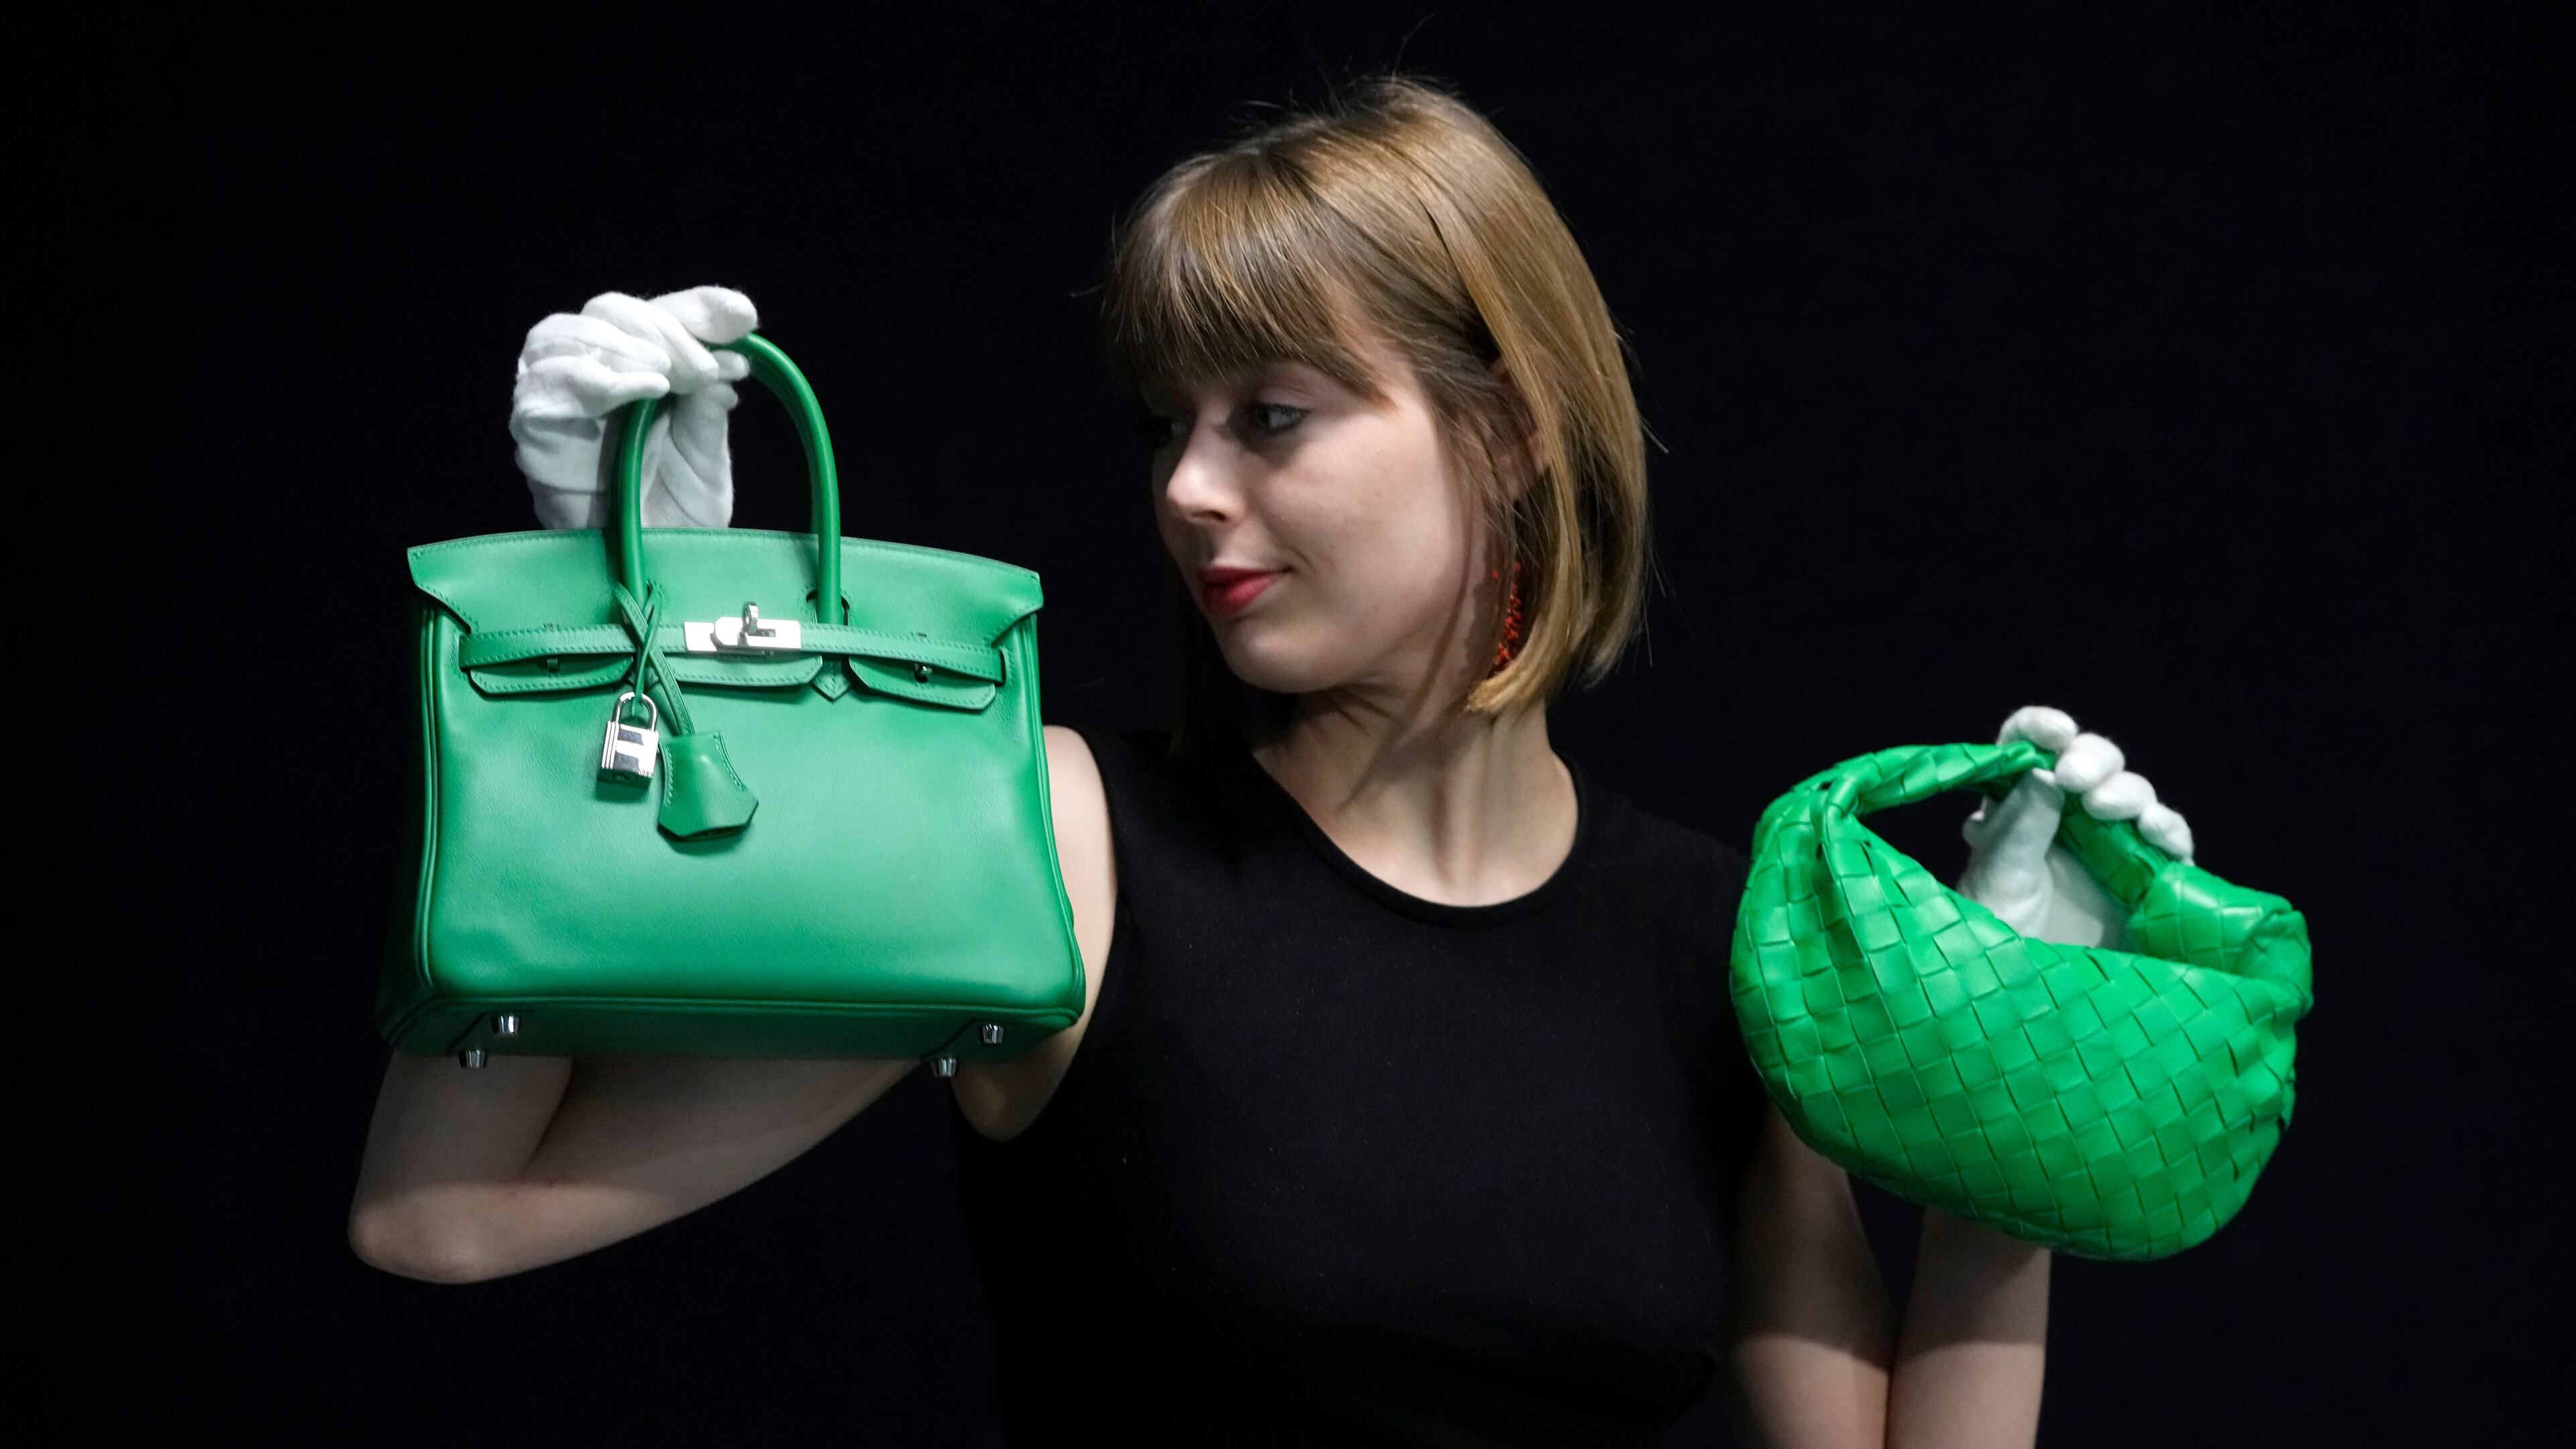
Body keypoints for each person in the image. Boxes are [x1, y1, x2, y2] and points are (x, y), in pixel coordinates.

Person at [352, 76, 2198, 1447]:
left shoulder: (1726, 948)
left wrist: (2007, 1068)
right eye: (1170, 423)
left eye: (1276, 417)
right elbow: (446, 1211)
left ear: (1511, 433)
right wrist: (643, 628)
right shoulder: (1060, 847)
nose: (1186, 489)